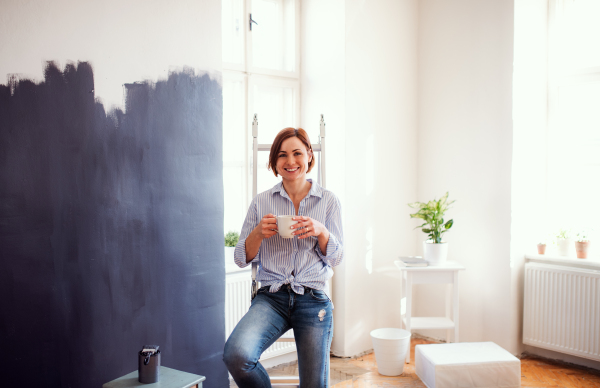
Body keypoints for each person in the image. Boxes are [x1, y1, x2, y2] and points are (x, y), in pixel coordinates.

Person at [223, 127, 344, 388]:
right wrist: (257, 234)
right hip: (271, 298)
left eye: (297, 153)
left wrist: (321, 231)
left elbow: (337, 258)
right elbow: (240, 259)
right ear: (274, 163)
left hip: (313, 299)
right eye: (282, 155)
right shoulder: (261, 202)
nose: (290, 161)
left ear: (309, 156)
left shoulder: (329, 201)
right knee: (236, 355)